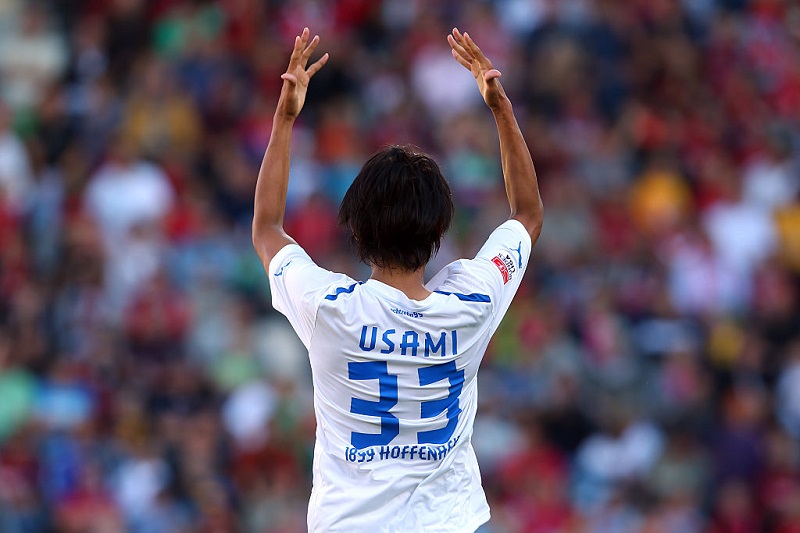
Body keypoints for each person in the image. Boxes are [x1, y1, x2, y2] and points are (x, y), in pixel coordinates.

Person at [252, 26, 543, 532]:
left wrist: (285, 119)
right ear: (439, 231)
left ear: (355, 230)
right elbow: (528, 214)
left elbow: (267, 229)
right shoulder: (473, 303)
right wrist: (500, 109)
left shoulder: (329, 308)